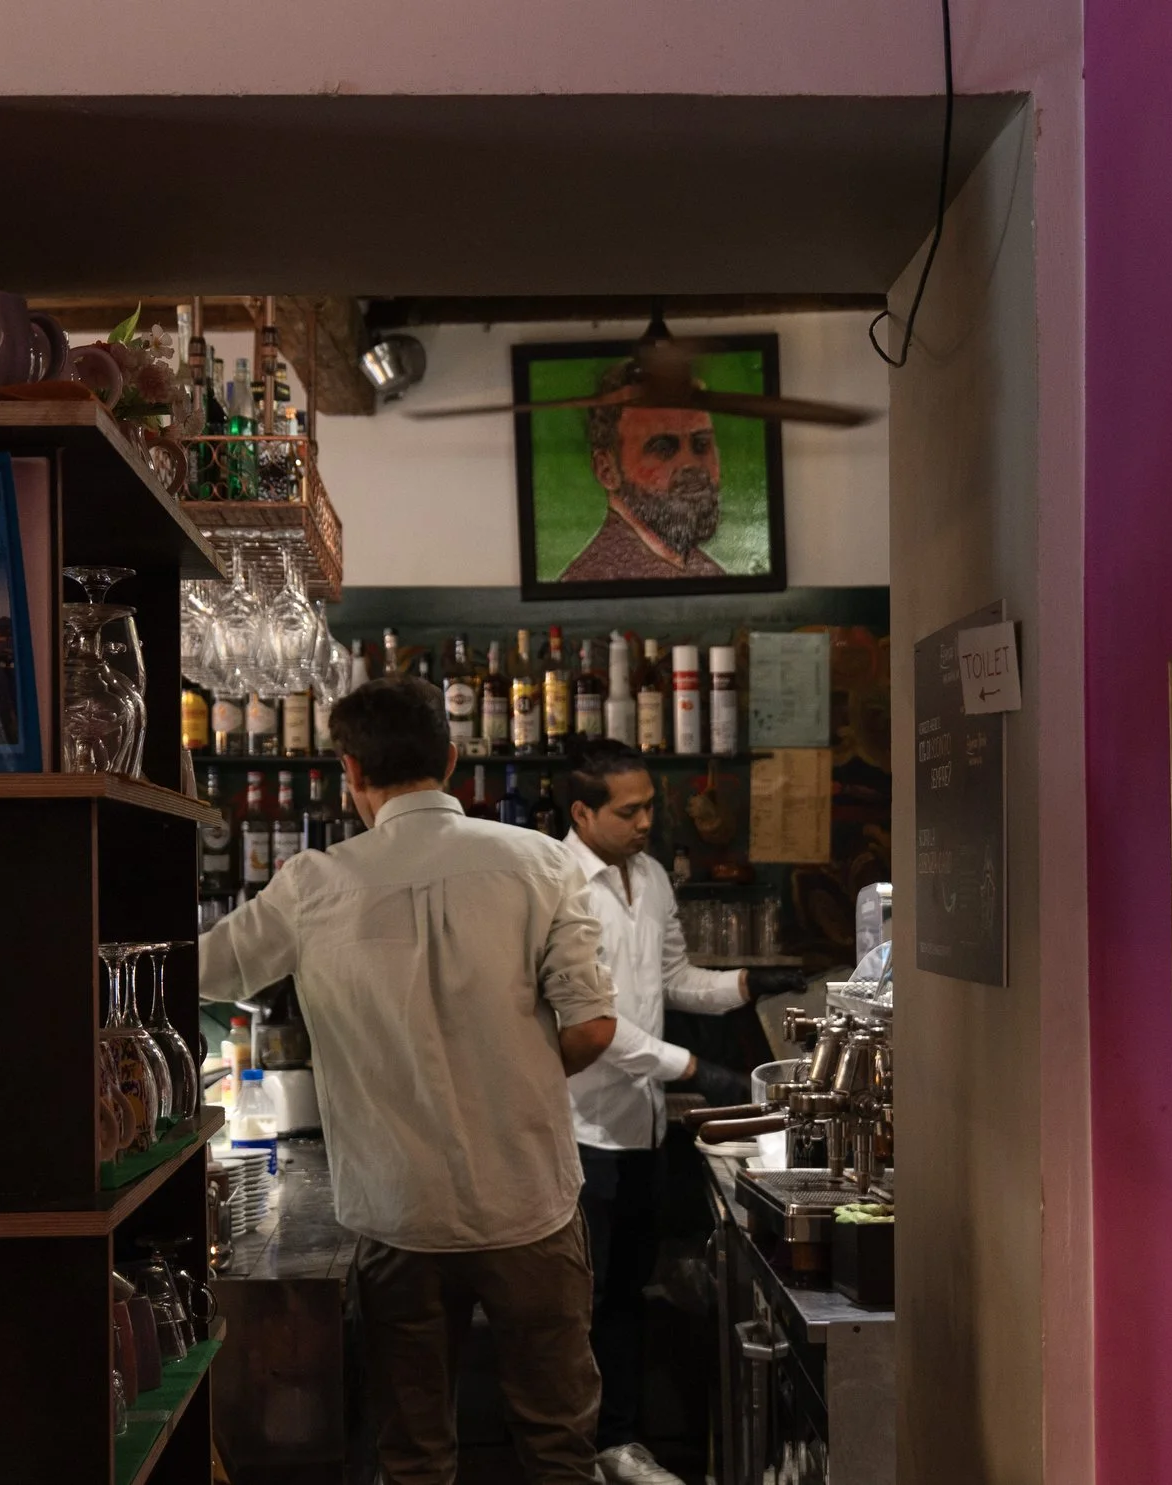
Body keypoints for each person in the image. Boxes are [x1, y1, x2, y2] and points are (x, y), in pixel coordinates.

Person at [199, 677, 619, 1485]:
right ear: (454, 759)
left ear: (349, 769)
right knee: (559, 1445)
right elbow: (592, 1026)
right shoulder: (540, 862)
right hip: (529, 1202)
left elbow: (203, 969)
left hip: (399, 1215)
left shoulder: (314, 884)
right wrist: (508, 1070)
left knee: (415, 1453)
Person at [557, 738, 806, 1485]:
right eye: (628, 811)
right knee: (582, 1303)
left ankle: (619, 1443)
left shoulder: (654, 876)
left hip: (642, 1123)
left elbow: (669, 979)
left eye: (648, 808)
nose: (644, 822)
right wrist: (696, 1067)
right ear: (581, 810)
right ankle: (573, 1454)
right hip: (576, 1126)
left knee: (627, 1292)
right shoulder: (556, 882)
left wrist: (744, 986)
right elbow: (590, 1019)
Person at [557, 360, 729, 583]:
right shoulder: (588, 581)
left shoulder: (708, 573)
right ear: (606, 470)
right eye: (663, 449)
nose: (690, 464)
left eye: (701, 444)